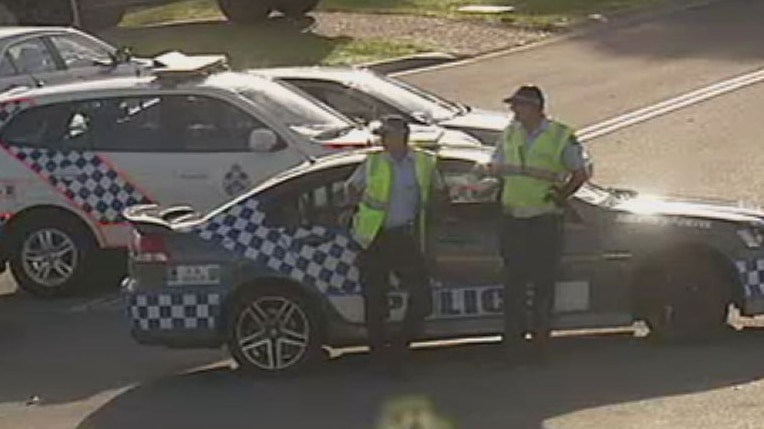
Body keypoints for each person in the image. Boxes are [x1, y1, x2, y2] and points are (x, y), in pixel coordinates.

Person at [490, 85, 591, 364]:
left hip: (544, 220)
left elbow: (581, 171)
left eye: (518, 106)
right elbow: (495, 165)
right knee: (514, 286)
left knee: (543, 285)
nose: (513, 111)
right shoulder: (510, 132)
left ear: (535, 108)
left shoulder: (559, 135)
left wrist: (563, 194)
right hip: (513, 220)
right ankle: (513, 346)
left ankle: (541, 345)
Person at [345, 114, 447, 370]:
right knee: (375, 302)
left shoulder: (424, 162)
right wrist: (356, 213)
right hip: (374, 239)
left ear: (401, 136)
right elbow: (350, 189)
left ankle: (399, 350)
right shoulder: (373, 163)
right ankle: (380, 359)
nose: (382, 140)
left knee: (422, 300)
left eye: (386, 135)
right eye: (381, 135)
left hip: (405, 237)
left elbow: (438, 193)